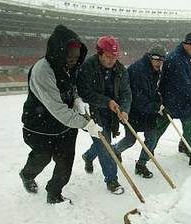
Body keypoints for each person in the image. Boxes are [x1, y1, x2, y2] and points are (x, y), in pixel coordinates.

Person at [19, 25, 102, 204]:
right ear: (58, 52)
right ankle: (27, 175)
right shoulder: (43, 71)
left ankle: (54, 193)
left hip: (65, 126)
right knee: (42, 158)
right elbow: (57, 109)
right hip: (40, 125)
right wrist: (86, 124)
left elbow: (73, 89)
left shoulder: (70, 66)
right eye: (70, 57)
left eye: (76, 58)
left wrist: (78, 100)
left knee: (65, 162)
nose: (73, 62)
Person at [77, 36, 132, 194]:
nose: (111, 61)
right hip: (93, 113)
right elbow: (84, 92)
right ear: (100, 53)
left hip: (112, 113)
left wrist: (125, 110)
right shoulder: (87, 67)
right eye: (108, 56)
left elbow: (126, 93)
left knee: (103, 142)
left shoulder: (120, 70)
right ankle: (112, 180)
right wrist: (106, 101)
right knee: (105, 146)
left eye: (114, 57)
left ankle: (88, 156)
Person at [152, 32, 191, 169]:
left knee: (188, 127)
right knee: (160, 128)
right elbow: (183, 84)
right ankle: (147, 150)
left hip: (181, 100)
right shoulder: (176, 58)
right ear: (187, 44)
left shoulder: (185, 57)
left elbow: (189, 80)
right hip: (173, 100)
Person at [113, 44, 166, 179]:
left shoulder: (155, 70)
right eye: (156, 59)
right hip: (133, 111)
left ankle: (141, 164)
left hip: (147, 111)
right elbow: (137, 98)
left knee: (152, 138)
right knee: (130, 139)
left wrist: (159, 101)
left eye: (161, 60)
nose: (159, 63)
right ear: (149, 57)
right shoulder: (138, 70)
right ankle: (115, 150)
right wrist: (155, 107)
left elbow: (153, 91)